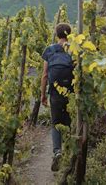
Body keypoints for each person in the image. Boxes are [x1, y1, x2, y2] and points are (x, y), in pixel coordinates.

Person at [40, 23, 74, 172]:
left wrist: (43, 95)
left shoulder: (49, 50)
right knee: (69, 122)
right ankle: (70, 153)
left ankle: (57, 151)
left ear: (57, 34)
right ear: (70, 34)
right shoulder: (74, 49)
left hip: (54, 92)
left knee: (55, 123)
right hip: (71, 92)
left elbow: (45, 75)